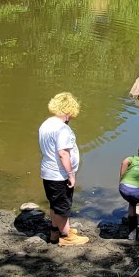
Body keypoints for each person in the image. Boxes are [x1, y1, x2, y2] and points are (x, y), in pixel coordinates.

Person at [39, 92, 85, 246]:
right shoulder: (62, 129)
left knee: (55, 204)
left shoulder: (46, 124)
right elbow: (63, 153)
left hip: (48, 171)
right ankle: (66, 237)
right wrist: (71, 174)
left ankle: (54, 232)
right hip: (59, 174)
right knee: (63, 206)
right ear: (69, 110)